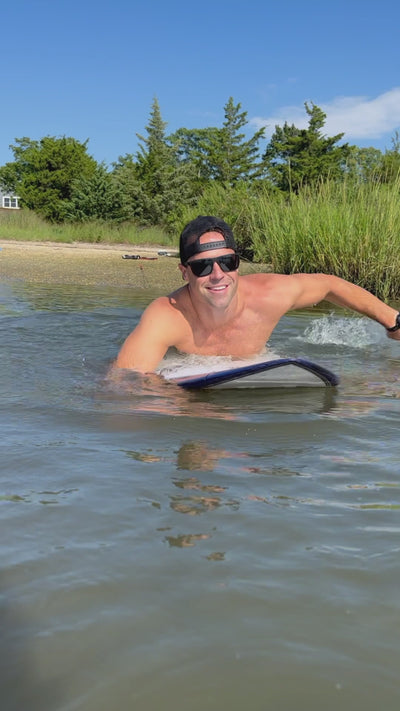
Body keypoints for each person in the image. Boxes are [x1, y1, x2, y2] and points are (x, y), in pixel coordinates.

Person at [114, 215, 400, 373]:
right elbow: (123, 384)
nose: (217, 275)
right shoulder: (166, 316)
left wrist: (393, 320)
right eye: (202, 266)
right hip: (185, 369)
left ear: (238, 263)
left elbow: (328, 285)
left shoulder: (269, 295)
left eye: (227, 262)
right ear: (184, 272)